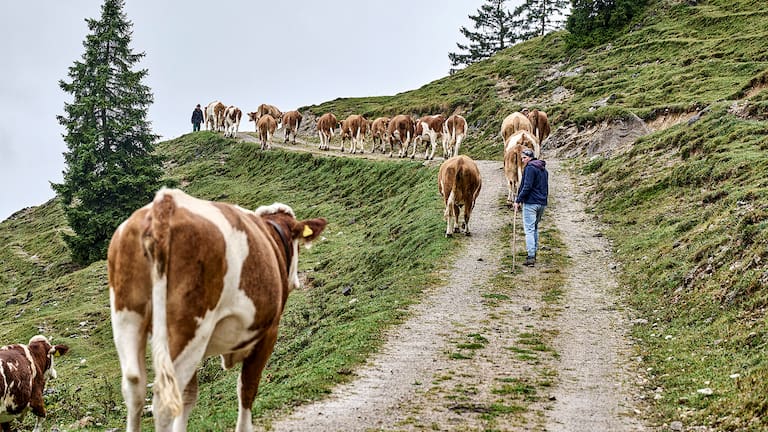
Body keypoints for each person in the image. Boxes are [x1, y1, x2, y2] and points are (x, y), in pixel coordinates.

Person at [514, 148, 549, 267]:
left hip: (531, 203)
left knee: (529, 229)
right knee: (534, 228)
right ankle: (534, 251)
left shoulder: (529, 168)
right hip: (541, 203)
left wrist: (518, 200)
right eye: (522, 158)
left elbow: (526, 186)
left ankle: (530, 256)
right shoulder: (543, 170)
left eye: (524, 158)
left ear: (530, 157)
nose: (523, 160)